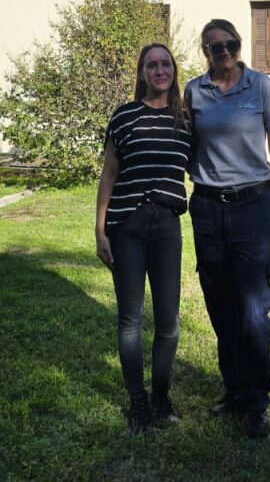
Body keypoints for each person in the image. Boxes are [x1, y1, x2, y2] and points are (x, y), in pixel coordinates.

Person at [184, 18, 270, 440]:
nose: (224, 51)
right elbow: (186, 144)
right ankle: (232, 389)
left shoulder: (261, 86)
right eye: (215, 47)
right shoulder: (195, 91)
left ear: (240, 45)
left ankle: (255, 401)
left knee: (252, 308)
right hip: (208, 208)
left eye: (230, 44)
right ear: (205, 51)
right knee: (219, 304)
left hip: (253, 205)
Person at [95, 43, 192, 434]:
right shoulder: (124, 116)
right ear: (141, 73)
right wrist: (100, 229)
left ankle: (161, 397)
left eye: (165, 64)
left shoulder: (185, 119)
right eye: (151, 65)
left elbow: (203, 165)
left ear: (173, 71)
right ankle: (137, 401)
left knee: (168, 321)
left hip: (167, 226)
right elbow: (108, 175)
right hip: (127, 227)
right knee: (130, 319)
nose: (159, 70)